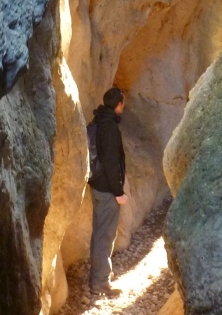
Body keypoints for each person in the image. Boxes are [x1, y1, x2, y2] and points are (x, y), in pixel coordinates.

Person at [88, 87, 128, 296]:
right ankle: (100, 282)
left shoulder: (98, 121)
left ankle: (97, 276)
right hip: (107, 189)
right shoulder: (110, 128)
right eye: (123, 102)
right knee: (105, 234)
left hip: (97, 186)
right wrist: (118, 192)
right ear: (119, 104)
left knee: (99, 232)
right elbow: (112, 163)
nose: (124, 105)